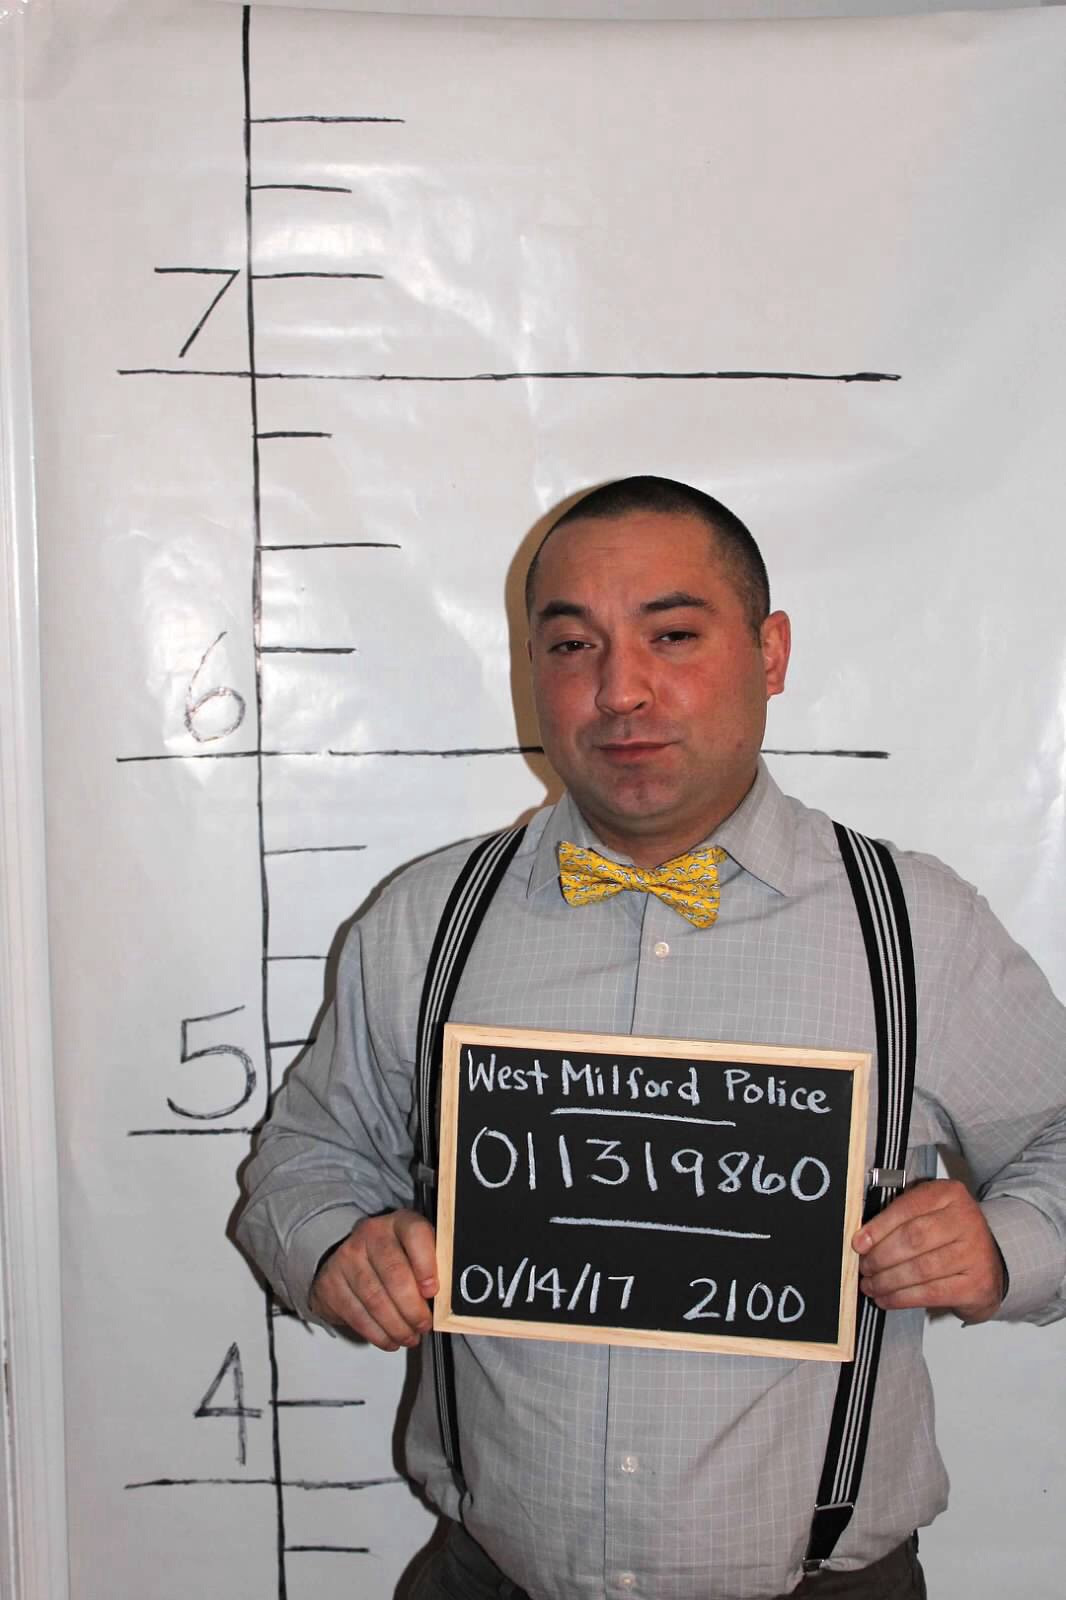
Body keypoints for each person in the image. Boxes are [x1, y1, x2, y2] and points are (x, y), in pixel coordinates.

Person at [237, 476, 1066, 1600]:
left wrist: (1004, 1246)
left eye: (671, 635)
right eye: (571, 645)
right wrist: (341, 1245)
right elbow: (303, 1157)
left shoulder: (916, 927)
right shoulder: (426, 921)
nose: (619, 690)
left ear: (770, 652)